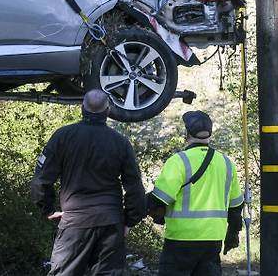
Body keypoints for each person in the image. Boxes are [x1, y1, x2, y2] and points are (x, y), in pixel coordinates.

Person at [31, 89, 146, 276]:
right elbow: (134, 187)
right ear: (107, 111)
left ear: (82, 108)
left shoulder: (63, 136)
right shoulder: (120, 143)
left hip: (74, 223)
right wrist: (130, 220)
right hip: (110, 223)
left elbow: (40, 180)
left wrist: (48, 209)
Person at [147, 110, 244, 276]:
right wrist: (233, 234)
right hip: (213, 239)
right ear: (210, 133)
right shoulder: (227, 163)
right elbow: (236, 206)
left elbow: (159, 199)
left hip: (180, 239)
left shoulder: (179, 161)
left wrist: (133, 213)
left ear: (186, 133)